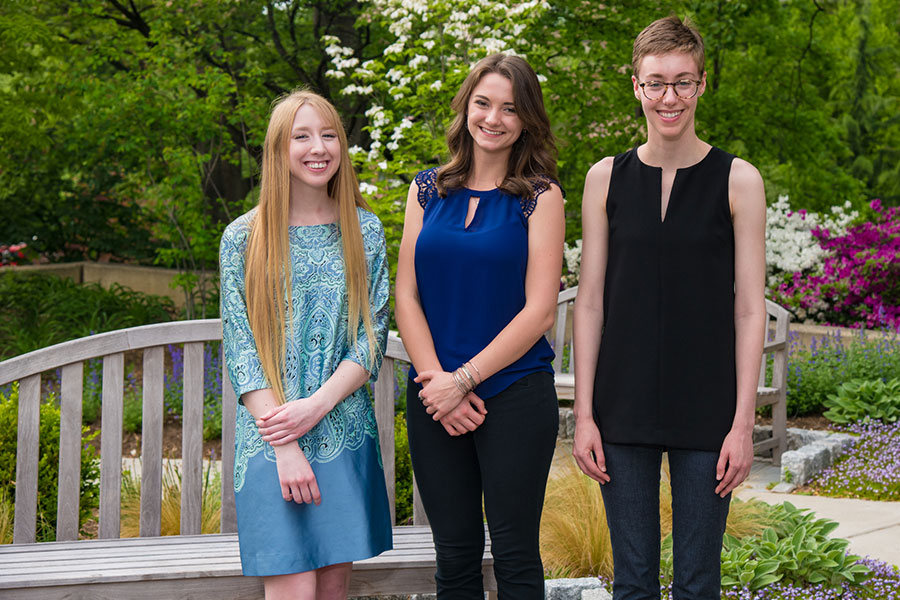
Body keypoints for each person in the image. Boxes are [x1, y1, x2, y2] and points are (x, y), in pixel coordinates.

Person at [572, 16, 767, 600]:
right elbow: (589, 303)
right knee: (632, 584)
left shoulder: (739, 180)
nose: (669, 97)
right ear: (635, 86)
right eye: (656, 83)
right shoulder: (604, 178)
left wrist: (742, 424)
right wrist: (583, 415)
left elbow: (750, 310)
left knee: (698, 582)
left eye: (683, 82)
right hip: (620, 405)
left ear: (702, 85)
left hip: (708, 409)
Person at [395, 53, 565, 599]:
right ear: (466, 107)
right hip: (433, 397)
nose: (493, 118)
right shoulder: (426, 190)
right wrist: (436, 384)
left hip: (514, 394)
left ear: (526, 120)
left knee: (515, 557)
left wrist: (462, 380)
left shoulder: (541, 197)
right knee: (455, 558)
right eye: (483, 103)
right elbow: (406, 294)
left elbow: (540, 311)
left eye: (510, 108)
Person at [220, 89, 392, 600]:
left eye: (328, 134)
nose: (318, 147)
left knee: (332, 591)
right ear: (278, 150)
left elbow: (371, 338)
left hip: (343, 429)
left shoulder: (364, 229)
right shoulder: (243, 237)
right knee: (293, 589)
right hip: (273, 444)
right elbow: (241, 348)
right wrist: (287, 443)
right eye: (302, 136)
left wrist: (314, 408)